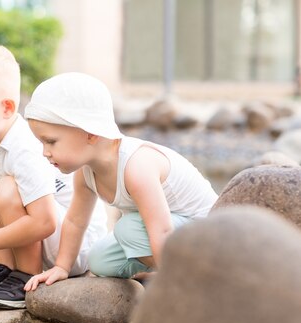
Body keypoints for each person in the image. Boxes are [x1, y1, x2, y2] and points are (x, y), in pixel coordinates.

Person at [0, 45, 107, 309]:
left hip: (73, 247)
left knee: (7, 187)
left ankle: (25, 276)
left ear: (7, 108)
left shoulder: (25, 149)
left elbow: (44, 223)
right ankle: (6, 270)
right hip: (45, 240)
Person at [23, 72, 218, 290]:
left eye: (50, 142)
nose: (44, 152)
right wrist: (62, 267)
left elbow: (161, 229)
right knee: (99, 260)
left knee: (127, 229)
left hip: (205, 231)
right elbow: (75, 221)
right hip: (163, 232)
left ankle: (191, 276)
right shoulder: (86, 172)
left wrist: (169, 290)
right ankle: (154, 270)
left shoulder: (136, 166)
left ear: (90, 133)